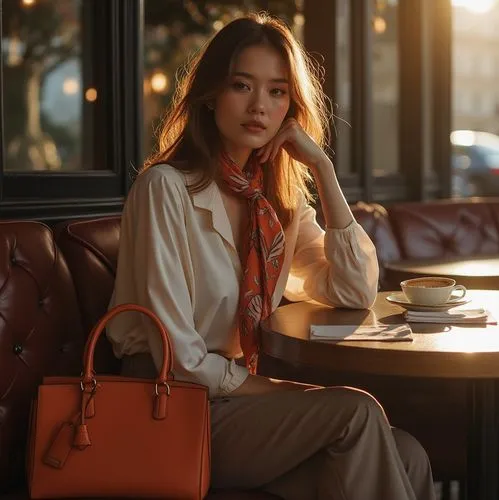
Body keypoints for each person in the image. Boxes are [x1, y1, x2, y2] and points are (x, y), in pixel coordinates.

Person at [107, 12, 435, 500]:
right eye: (242, 85)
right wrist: (287, 392)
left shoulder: (272, 203)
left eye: (277, 91)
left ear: (291, 108)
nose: (259, 106)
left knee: (406, 451)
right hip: (173, 406)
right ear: (211, 94)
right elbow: (180, 362)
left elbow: (353, 289)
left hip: (234, 402)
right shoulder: (165, 190)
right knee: (357, 411)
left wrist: (323, 169)